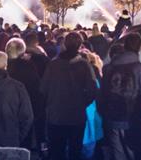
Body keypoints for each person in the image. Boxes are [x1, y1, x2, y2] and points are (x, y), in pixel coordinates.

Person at [41, 31, 99, 160]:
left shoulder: (53, 64)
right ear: (80, 45)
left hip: (56, 115)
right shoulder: (84, 65)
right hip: (76, 116)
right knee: (75, 150)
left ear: (64, 44)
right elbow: (93, 90)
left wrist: (52, 103)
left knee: (56, 151)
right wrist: (82, 103)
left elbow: (44, 89)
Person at [98, 32, 141, 160]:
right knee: (133, 150)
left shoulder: (108, 68)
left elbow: (102, 93)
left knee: (117, 151)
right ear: (140, 47)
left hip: (111, 117)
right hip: (133, 118)